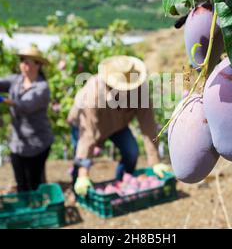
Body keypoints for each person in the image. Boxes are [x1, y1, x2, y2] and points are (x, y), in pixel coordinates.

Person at [67, 55, 170, 196]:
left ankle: (123, 184)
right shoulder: (94, 92)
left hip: (117, 124)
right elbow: (88, 134)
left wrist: (155, 160)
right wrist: (83, 174)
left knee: (131, 151)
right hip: (84, 125)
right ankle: (78, 192)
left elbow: (148, 124)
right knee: (80, 161)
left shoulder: (139, 89)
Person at [0, 46, 54, 192]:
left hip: (37, 143)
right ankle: (27, 209)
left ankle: (37, 209)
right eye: (22, 61)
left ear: (37, 65)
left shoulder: (42, 88)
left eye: (28, 62)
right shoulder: (16, 80)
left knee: (34, 183)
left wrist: (2, 100)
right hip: (18, 142)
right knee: (21, 183)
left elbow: (25, 106)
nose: (23, 65)